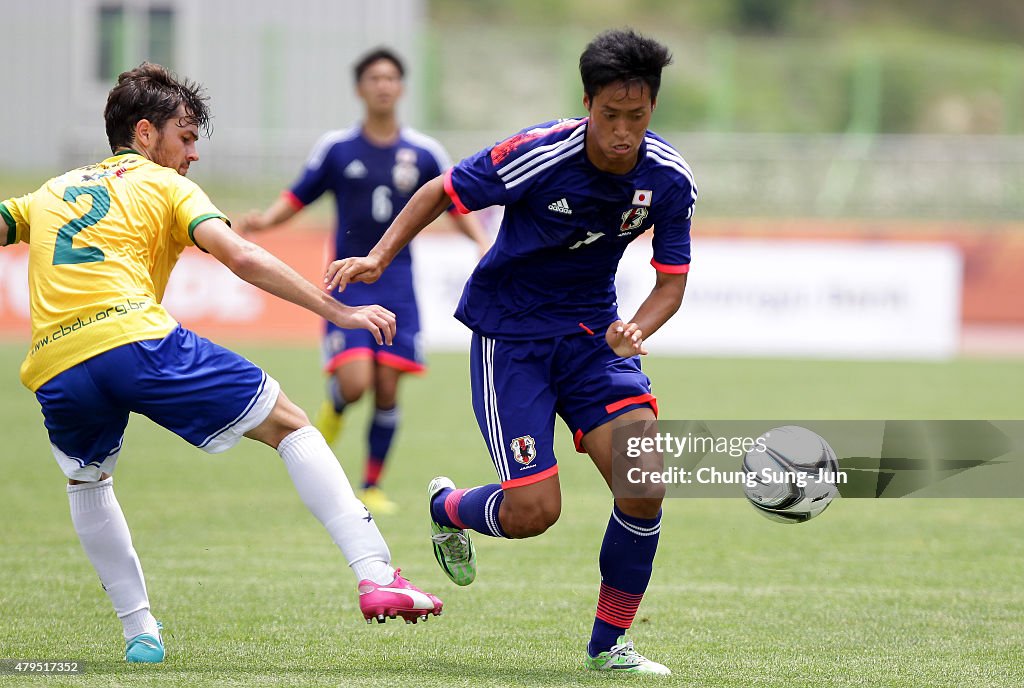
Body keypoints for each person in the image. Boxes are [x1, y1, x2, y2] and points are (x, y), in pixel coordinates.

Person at [0, 63, 443, 665]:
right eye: (186, 137)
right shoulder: (166, 186)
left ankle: (140, 633)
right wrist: (338, 311)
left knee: (87, 480)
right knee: (289, 423)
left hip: (56, 364)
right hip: (135, 339)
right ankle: (377, 573)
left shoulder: (50, 191)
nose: (193, 155)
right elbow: (242, 257)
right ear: (145, 134)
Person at [328, 29, 695, 675]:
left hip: (593, 340)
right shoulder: (538, 153)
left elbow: (671, 282)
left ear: (652, 110)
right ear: (587, 102)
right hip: (512, 339)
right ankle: (448, 507)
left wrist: (638, 329)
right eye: (609, 115)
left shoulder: (667, 179)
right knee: (533, 513)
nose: (620, 132)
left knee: (645, 485)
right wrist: (379, 256)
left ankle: (609, 646)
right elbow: (442, 190)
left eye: (634, 118)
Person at [238, 48, 488, 516]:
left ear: (401, 88)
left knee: (388, 385)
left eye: (391, 78)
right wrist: (265, 221)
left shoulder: (424, 151)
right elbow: (299, 194)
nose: (383, 85)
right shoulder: (337, 148)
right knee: (355, 383)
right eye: (374, 78)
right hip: (347, 280)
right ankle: (332, 412)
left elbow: (452, 201)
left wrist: (480, 241)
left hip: (398, 282)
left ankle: (371, 485)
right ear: (360, 89)